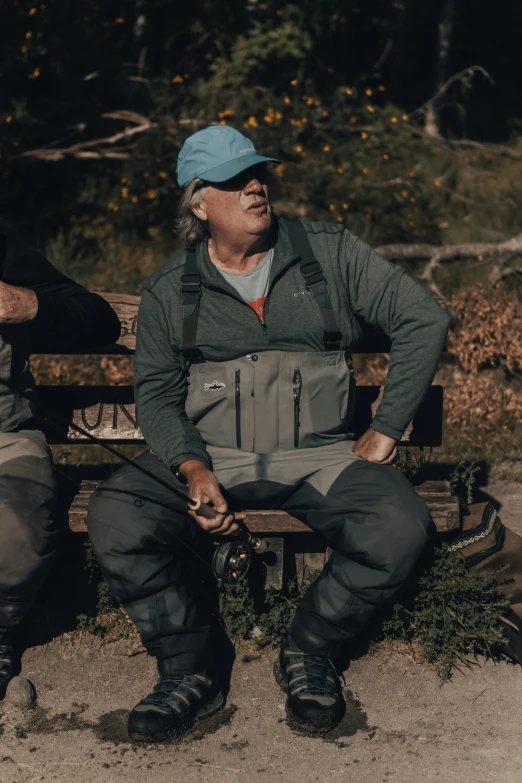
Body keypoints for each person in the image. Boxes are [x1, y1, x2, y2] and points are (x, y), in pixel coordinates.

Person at [86, 125, 450, 741]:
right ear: (199, 204)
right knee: (116, 517)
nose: (256, 186)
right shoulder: (171, 289)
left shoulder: (329, 253)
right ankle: (189, 667)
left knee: (400, 527)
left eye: (259, 174)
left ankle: (310, 650)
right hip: (216, 458)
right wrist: (192, 468)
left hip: (320, 458)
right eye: (235, 180)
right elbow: (156, 395)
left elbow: (423, 318)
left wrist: (385, 429)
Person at [0, 235, 121, 698]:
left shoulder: (9, 256)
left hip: (7, 435)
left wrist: (28, 305)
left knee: (17, 525)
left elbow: (99, 319)